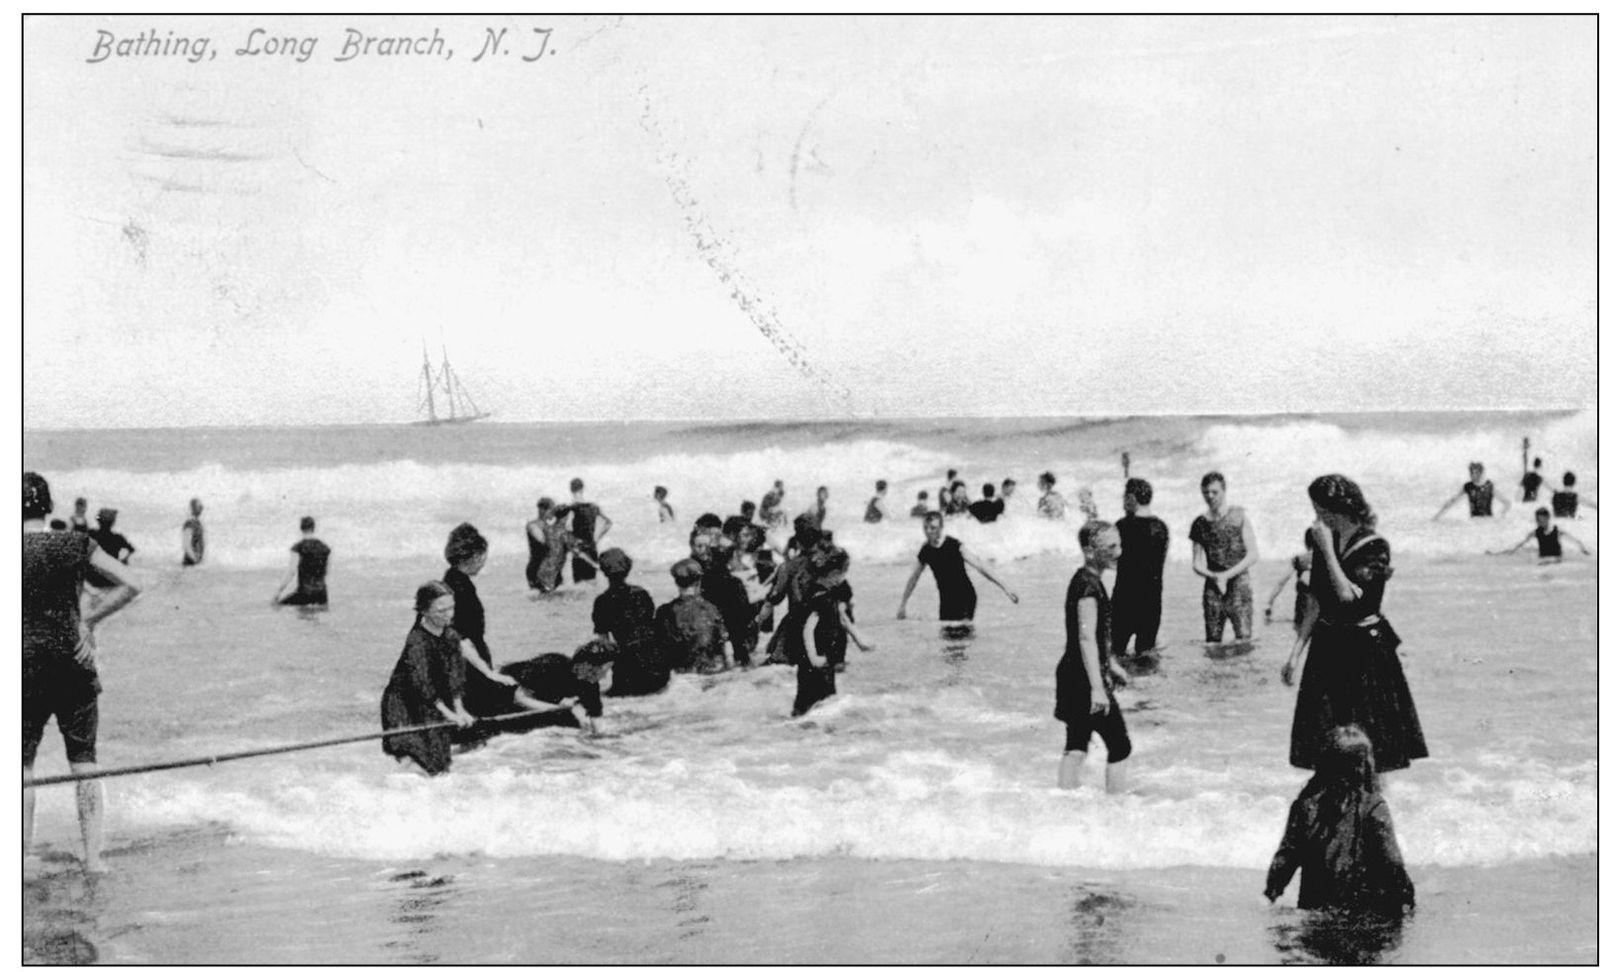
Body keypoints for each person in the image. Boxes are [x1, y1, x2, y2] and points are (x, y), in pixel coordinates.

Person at [24, 472, 141, 873]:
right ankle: (93, 858)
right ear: (49, 508)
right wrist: (88, 621)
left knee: (21, 766)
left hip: (22, 666)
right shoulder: (76, 543)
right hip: (74, 663)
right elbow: (130, 583)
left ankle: (19, 858)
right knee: (85, 762)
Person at [1281, 475, 1427, 774]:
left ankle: (1371, 811)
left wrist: (1327, 551)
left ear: (1338, 508)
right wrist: (1295, 653)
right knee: (1326, 742)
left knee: (1372, 748)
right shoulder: (1328, 541)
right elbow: (1317, 602)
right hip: (1327, 647)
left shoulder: (1375, 546)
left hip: (1365, 652)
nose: (1316, 517)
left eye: (1320, 509)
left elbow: (1348, 596)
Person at [1265, 725, 1415, 916]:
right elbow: (1392, 863)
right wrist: (1408, 900)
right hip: (1365, 915)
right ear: (1366, 766)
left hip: (1315, 911)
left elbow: (1286, 858)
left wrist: (1271, 893)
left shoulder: (1305, 806)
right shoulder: (1374, 806)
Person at [1055, 520, 1132, 792]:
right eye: (1111, 547)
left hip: (1073, 674)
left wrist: (1111, 664)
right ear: (1090, 551)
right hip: (1084, 680)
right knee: (1120, 745)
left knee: (1076, 742)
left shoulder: (1086, 580)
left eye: (1119, 544)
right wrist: (1098, 689)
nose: (1118, 552)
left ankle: (1062, 799)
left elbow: (1095, 635)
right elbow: (1086, 637)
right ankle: (1117, 807)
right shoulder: (1087, 587)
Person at [380, 581, 476, 776]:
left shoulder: (451, 636)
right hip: (403, 706)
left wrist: (460, 710)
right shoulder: (416, 641)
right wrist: (450, 716)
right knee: (414, 762)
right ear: (424, 611)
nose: (449, 615)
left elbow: (456, 676)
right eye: (441, 611)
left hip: (432, 703)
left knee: (439, 767)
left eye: (451, 608)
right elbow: (421, 683)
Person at [440, 523, 525, 717]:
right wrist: (488, 672)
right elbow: (460, 638)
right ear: (475, 555)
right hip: (468, 665)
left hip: (465, 662)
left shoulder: (452, 580)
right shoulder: (461, 587)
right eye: (483, 556)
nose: (484, 562)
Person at [896, 512, 1019, 623]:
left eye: (932, 528)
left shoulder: (953, 545)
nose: (928, 531)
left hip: (965, 596)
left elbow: (980, 565)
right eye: (925, 528)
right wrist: (903, 604)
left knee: (961, 635)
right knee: (947, 641)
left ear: (941, 528)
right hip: (946, 599)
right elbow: (914, 578)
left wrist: (1005, 587)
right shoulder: (926, 550)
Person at [1190, 472, 1260, 644]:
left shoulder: (1239, 516)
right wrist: (1212, 575)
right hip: (1213, 585)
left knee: (1244, 639)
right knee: (1212, 642)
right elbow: (1197, 563)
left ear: (1224, 490)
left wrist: (1227, 575)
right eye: (1206, 492)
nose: (1210, 496)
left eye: (1214, 492)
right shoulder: (1199, 523)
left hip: (1239, 582)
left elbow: (1253, 554)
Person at [591, 548, 667, 695]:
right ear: (628, 568)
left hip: (628, 668)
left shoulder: (602, 601)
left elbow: (606, 645)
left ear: (604, 572)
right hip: (658, 664)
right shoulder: (642, 593)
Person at [1112, 478, 1169, 657]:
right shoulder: (1161, 528)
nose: (1122, 501)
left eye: (1124, 497)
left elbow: (1113, 560)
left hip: (1124, 601)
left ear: (1132, 498)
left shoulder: (1121, 526)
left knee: (1115, 652)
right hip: (1152, 601)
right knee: (1145, 654)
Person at [692, 527, 758, 667]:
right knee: (742, 660)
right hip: (735, 633)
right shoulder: (735, 583)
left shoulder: (704, 579)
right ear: (730, 559)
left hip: (713, 632)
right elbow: (746, 612)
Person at [655, 558, 731, 674]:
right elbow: (726, 647)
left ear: (676, 582)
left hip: (682, 674)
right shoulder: (712, 609)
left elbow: (660, 649)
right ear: (699, 582)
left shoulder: (665, 612)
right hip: (712, 670)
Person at [553, 478, 612, 585]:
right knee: (592, 583)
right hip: (592, 547)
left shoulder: (572, 508)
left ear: (571, 489)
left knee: (580, 585)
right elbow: (608, 523)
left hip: (579, 550)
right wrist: (597, 537)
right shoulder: (594, 507)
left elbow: (567, 527)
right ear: (582, 489)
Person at [271, 515, 331, 607]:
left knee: (276, 606)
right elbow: (326, 571)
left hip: (304, 594)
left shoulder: (298, 547)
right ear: (313, 528)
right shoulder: (324, 548)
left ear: (301, 528)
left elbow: (291, 572)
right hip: (322, 595)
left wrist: (278, 591)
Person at [1489, 507, 1590, 561]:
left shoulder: (1556, 531)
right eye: (1538, 520)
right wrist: (1499, 554)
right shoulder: (1536, 532)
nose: (1540, 522)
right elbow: (1518, 546)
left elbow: (1574, 540)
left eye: (1542, 520)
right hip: (1543, 562)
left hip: (1557, 561)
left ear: (1548, 518)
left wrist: (1583, 550)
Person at [1433, 462, 1509, 519]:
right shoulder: (1468, 486)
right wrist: (1438, 515)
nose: (1471, 475)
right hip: (1474, 521)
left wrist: (1502, 516)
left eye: (1474, 473)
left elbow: (1506, 503)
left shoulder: (1489, 486)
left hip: (1488, 521)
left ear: (1480, 473)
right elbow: (1453, 501)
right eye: (1471, 473)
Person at [1265, 551, 1312, 632]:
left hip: (1303, 607)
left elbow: (1282, 581)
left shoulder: (1301, 557)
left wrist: (1269, 603)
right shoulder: (1331, 555)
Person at [180, 496, 205, 566]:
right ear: (193, 508)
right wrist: (195, 559)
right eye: (199, 506)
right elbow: (186, 545)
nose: (202, 508)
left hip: (195, 563)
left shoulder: (197, 523)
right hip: (190, 564)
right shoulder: (190, 524)